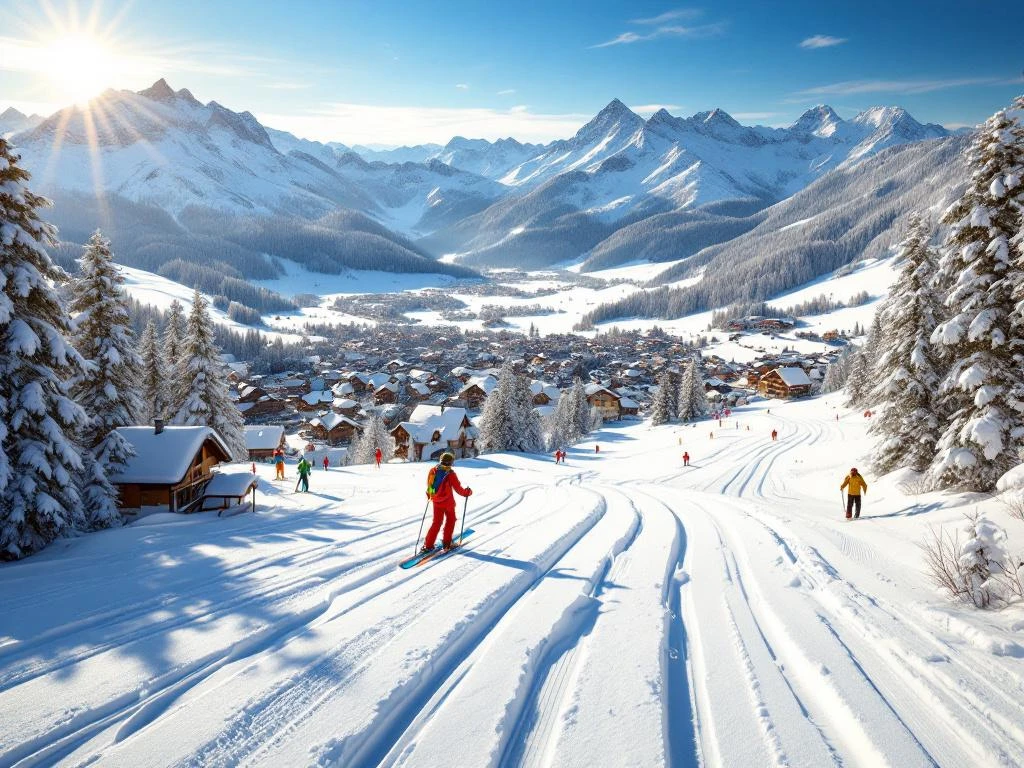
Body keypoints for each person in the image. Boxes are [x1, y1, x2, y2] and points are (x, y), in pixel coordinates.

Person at [422, 451, 472, 553]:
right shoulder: (450, 474)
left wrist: (430, 496)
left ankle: (428, 545)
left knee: (436, 523)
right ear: (450, 462)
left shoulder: (433, 470)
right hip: (448, 503)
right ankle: (447, 543)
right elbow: (458, 489)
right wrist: (467, 492)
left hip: (436, 502)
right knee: (451, 520)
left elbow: (429, 486)